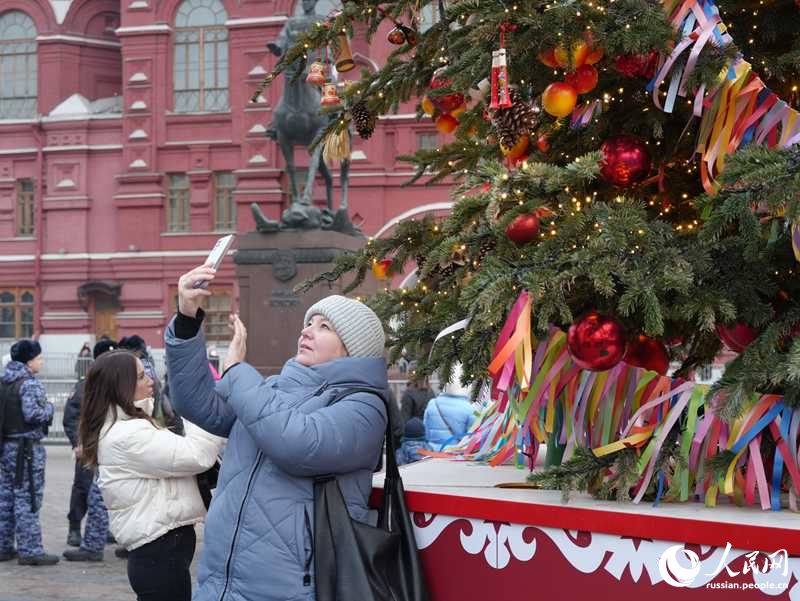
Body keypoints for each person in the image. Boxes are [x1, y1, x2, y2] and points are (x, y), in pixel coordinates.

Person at [165, 264, 389, 601]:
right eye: (308, 324)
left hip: (290, 587)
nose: (307, 331)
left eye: (324, 326)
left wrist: (238, 371)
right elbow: (197, 403)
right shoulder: (272, 389)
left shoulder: (364, 407)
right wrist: (185, 319)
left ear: (352, 349)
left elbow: (297, 444)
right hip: (221, 580)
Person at [79, 350, 223, 601]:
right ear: (121, 386)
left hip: (161, 552)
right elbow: (197, 455)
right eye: (141, 376)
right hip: (159, 554)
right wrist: (200, 414)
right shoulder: (128, 435)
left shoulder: (129, 425)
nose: (151, 381)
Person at [0, 339, 59, 565]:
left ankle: (4, 546)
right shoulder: (29, 383)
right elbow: (33, 414)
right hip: (26, 450)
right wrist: (50, 408)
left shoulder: (4, 381)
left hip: (6, 447)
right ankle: (30, 550)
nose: (42, 362)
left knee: (5, 498)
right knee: (29, 497)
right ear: (29, 360)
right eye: (39, 358)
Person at [62, 337, 116, 560]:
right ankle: (75, 527)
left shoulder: (114, 384)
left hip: (108, 448)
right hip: (87, 448)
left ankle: (102, 529)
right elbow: (71, 417)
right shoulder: (85, 385)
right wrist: (78, 443)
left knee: (107, 490)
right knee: (82, 488)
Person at [423, 383, 475, 451]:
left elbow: (425, 427)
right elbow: (470, 435)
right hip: (455, 452)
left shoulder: (433, 403)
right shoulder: (469, 408)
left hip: (432, 450)